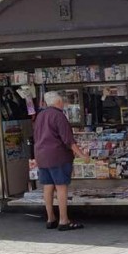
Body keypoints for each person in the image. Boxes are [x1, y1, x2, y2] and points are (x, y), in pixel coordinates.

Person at [34, 91, 90, 231]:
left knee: (47, 186)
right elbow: (68, 140)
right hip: (57, 156)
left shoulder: (40, 115)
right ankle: (64, 220)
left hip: (41, 155)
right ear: (58, 102)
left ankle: (50, 218)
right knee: (61, 187)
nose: (63, 103)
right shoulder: (58, 116)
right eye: (62, 101)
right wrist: (82, 155)